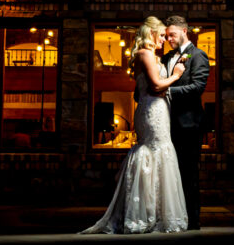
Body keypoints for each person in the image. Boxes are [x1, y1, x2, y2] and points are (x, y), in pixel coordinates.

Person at [80, 17, 189, 234]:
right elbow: (156, 85)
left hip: (159, 110)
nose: (164, 40)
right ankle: (140, 214)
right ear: (151, 33)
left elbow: (141, 91)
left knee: (161, 153)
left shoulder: (151, 55)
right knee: (153, 151)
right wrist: (176, 76)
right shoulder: (144, 54)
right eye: (161, 36)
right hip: (152, 112)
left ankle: (156, 213)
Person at [159, 15, 210, 231]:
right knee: (170, 174)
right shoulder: (168, 57)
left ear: (184, 31)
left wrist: (167, 91)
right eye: (167, 35)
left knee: (188, 174)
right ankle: (174, 218)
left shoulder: (199, 56)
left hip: (189, 126)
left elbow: (198, 87)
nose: (169, 39)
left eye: (172, 34)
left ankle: (192, 221)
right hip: (167, 125)